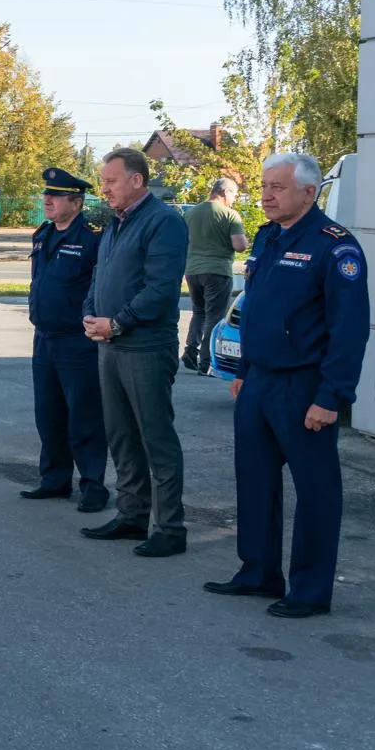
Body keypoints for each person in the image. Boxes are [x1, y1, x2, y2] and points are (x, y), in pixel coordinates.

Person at [205, 153, 369, 619]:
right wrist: (243, 372)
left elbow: (349, 329)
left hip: (305, 386)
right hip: (258, 380)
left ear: (310, 193)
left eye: (277, 187)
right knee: (254, 480)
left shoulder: (335, 247)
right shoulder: (268, 238)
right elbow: (256, 308)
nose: (266, 195)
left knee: (316, 489)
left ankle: (311, 589)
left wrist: (331, 396)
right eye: (263, 186)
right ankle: (258, 571)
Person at [79, 147, 191, 558]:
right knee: (121, 435)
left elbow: (161, 289)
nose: (103, 189)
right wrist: (91, 314)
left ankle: (169, 527)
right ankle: (132, 514)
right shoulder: (116, 224)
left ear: (136, 180)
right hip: (109, 343)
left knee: (155, 437)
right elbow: (99, 276)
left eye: (110, 181)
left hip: (144, 346)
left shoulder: (163, 223)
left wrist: (119, 321)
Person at [20, 167, 109, 512]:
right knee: (49, 413)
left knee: (84, 415)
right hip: (44, 338)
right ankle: (54, 480)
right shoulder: (42, 235)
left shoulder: (91, 238)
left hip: (77, 340)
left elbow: (98, 288)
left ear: (76, 201)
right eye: (46, 195)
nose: (47, 201)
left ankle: (93, 486)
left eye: (55, 196)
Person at [180, 177, 249, 375]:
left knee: (199, 312)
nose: (234, 199)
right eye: (234, 194)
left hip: (192, 270)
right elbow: (240, 245)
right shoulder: (230, 215)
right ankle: (206, 361)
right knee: (215, 316)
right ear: (225, 192)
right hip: (217, 270)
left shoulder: (191, 213)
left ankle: (190, 350)